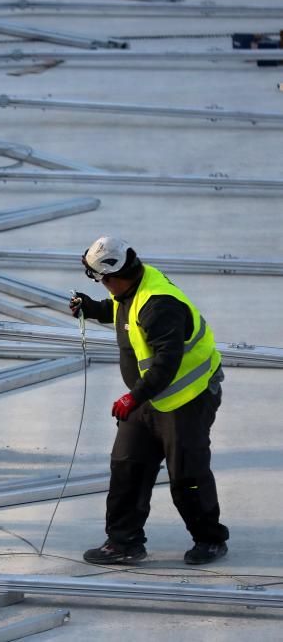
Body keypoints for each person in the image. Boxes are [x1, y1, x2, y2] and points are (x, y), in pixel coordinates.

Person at [70, 235, 229, 566]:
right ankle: (124, 541)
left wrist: (133, 397)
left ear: (113, 277)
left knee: (187, 474)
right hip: (147, 398)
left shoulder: (160, 305)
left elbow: (166, 363)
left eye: (100, 281)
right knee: (127, 465)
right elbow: (120, 309)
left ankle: (210, 539)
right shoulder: (132, 286)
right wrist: (92, 308)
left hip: (187, 397)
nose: (102, 286)